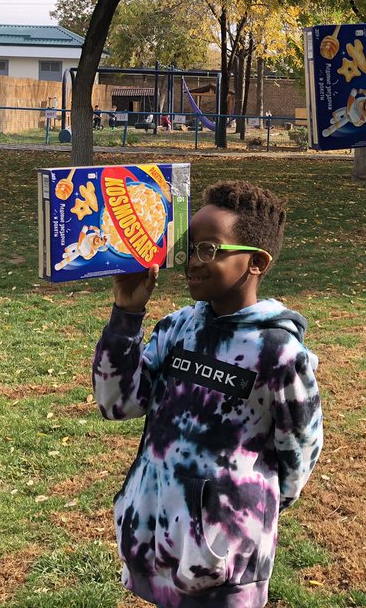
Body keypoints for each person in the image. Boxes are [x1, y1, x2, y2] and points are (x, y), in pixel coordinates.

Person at [92, 181, 323, 607]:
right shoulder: (178, 327)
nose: (191, 263)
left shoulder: (278, 352)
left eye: (209, 250)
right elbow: (115, 402)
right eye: (188, 247)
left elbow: (300, 452)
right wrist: (126, 314)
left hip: (224, 561)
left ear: (255, 262)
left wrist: (240, 511)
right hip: (157, 542)